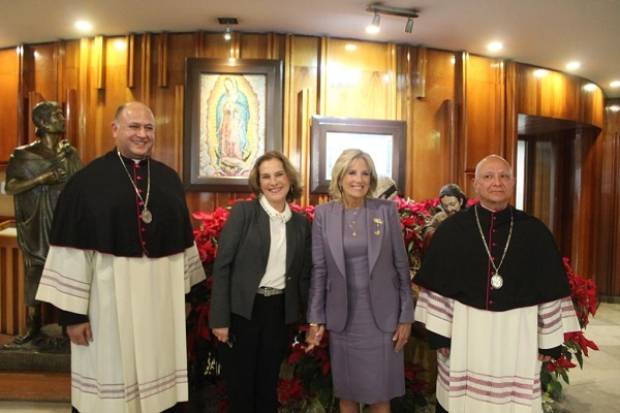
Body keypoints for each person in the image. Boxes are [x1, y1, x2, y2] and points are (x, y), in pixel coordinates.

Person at [35, 102, 206, 413]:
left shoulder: (168, 179)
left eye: (148, 128)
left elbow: (183, 245)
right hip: (107, 305)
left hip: (159, 305)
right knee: (110, 382)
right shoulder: (86, 183)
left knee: (160, 385)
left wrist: (185, 297)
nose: (142, 134)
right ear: (115, 130)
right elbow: (71, 253)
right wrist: (73, 316)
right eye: (134, 127)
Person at [414, 154, 580, 413]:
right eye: (488, 176)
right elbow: (439, 290)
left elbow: (549, 292)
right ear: (476, 185)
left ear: (513, 183)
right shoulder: (451, 231)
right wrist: (439, 335)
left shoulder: (535, 232)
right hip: (465, 331)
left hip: (518, 334)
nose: (497, 182)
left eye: (504, 176)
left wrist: (549, 341)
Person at [306, 148, 413, 413]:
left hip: (383, 319)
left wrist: (406, 317)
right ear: (340, 177)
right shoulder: (323, 214)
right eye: (352, 172)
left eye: (365, 173)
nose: (359, 179)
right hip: (343, 319)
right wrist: (315, 318)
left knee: (380, 395)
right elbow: (319, 270)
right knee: (348, 393)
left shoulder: (386, 211)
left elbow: (402, 266)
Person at [209, 151, 312, 413]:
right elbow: (222, 266)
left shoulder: (301, 223)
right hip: (243, 311)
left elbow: (304, 276)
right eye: (265, 176)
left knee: (268, 386)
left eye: (278, 174)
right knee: (241, 390)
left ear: (289, 178)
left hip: (278, 313)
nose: (273, 181)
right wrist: (219, 319)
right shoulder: (244, 212)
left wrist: (311, 319)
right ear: (258, 182)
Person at [5, 100, 81, 345]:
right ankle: (32, 326)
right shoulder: (23, 154)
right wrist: (43, 178)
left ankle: (67, 326)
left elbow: (81, 185)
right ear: (42, 122)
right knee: (34, 272)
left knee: (66, 272)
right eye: (57, 114)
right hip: (37, 221)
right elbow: (11, 186)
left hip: (63, 220)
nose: (62, 118)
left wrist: (69, 159)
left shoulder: (69, 152)